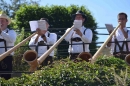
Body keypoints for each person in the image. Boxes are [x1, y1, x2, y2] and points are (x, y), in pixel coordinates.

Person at [0, 12, 17, 80]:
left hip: (7, 58)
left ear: (7, 23)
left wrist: (1, 32)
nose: (0, 22)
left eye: (2, 21)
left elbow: (11, 39)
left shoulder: (11, 32)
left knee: (6, 78)